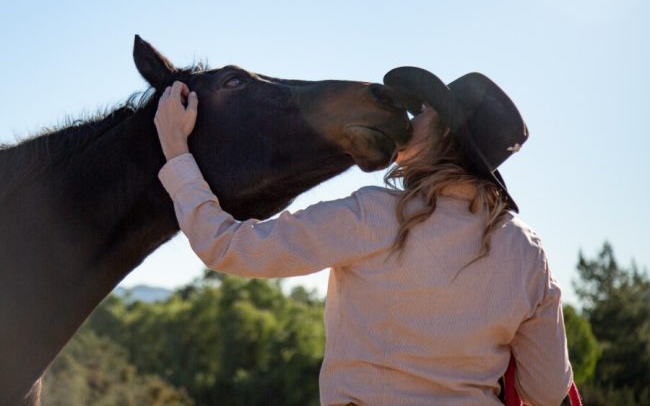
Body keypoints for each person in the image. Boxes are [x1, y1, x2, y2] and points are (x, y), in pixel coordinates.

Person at [154, 67, 573, 406]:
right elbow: (548, 392)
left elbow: (227, 247)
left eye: (423, 111)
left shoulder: (373, 215)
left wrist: (177, 151)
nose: (409, 119)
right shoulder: (526, 250)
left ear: (444, 134)